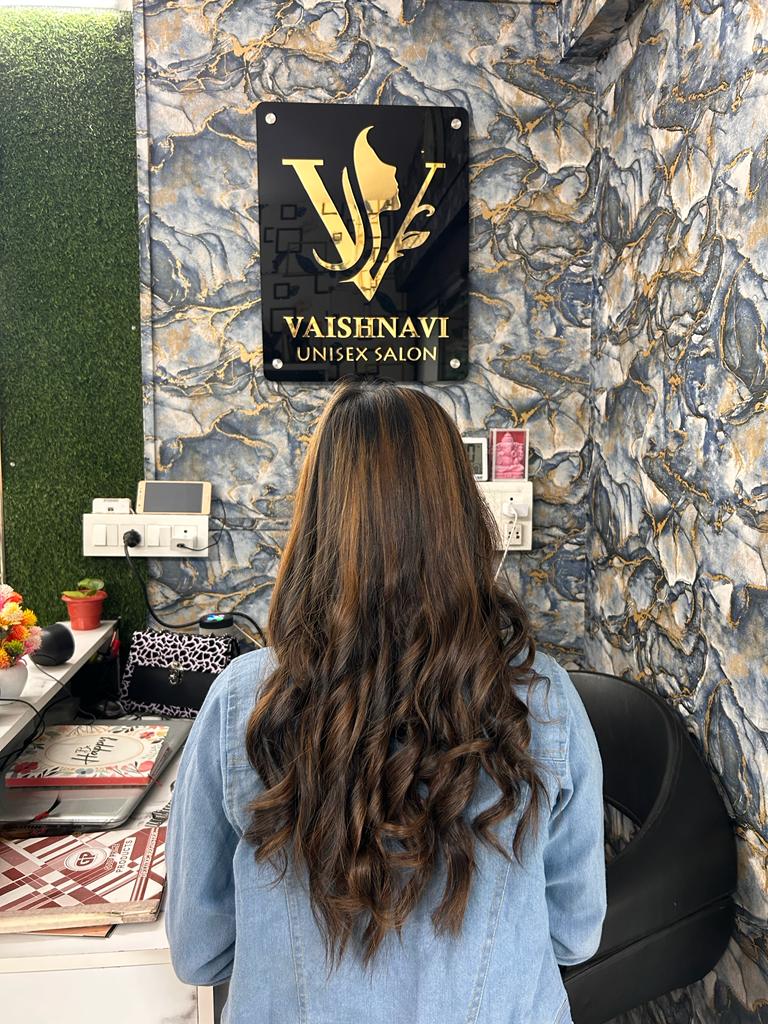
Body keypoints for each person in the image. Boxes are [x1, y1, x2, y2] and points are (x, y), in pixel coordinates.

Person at [165, 379, 606, 1024]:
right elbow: (575, 935)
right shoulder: (546, 702)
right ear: (461, 517)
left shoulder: (243, 705)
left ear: (317, 524)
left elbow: (199, 953)